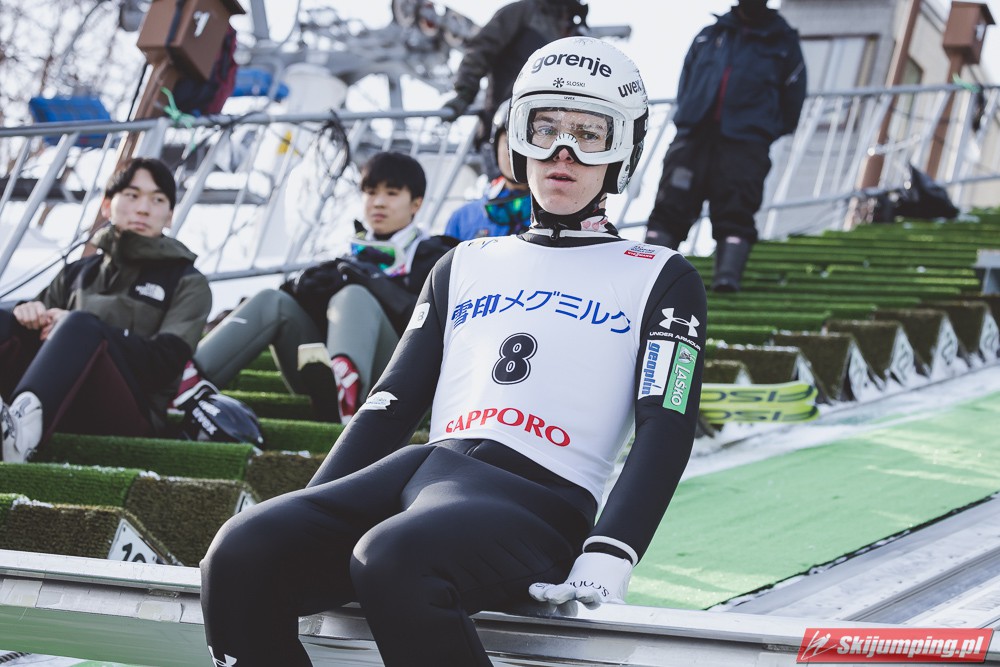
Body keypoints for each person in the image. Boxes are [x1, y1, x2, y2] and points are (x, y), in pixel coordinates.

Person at [201, 36, 707, 666]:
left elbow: (666, 425)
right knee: (242, 551)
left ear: (623, 150)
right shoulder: (463, 262)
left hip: (538, 502)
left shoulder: (660, 274)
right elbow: (389, 404)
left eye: (589, 134)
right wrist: (311, 509)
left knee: (394, 558)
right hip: (425, 471)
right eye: (545, 127)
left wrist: (612, 550)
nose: (564, 152)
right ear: (518, 139)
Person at [178, 151, 456, 423]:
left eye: (392, 193)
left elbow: (439, 330)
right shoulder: (347, 260)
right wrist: (307, 293)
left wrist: (376, 285)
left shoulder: (439, 257)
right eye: (371, 193)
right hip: (323, 379)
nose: (378, 203)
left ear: (416, 203)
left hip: (401, 381)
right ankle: (183, 382)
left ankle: (345, 386)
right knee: (273, 300)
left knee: (354, 295)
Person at [0, 157, 212, 463]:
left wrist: (86, 329)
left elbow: (165, 363)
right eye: (132, 195)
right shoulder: (77, 272)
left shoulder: (187, 281)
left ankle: (19, 438)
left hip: (131, 413)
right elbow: (30, 329)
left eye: (157, 200)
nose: (143, 209)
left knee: (80, 326)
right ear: (106, 205)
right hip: (63, 398)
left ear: (169, 215)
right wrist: (27, 311)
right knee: (8, 320)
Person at [643, 0, 806, 292]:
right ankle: (647, 273)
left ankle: (727, 278)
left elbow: (793, 97)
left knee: (736, 207)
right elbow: (686, 81)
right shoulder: (709, 35)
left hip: (746, 142)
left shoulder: (784, 43)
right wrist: (688, 118)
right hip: (694, 135)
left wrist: (763, 131)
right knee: (671, 204)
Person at [440, 0, 588, 178]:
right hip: (504, 128)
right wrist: (464, 92)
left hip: (550, 137)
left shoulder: (575, 30)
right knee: (505, 188)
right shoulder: (523, 12)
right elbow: (481, 49)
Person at [444, 98, 532, 240]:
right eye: (509, 142)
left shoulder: (562, 216)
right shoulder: (463, 219)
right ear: (495, 148)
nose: (515, 152)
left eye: (526, 141)